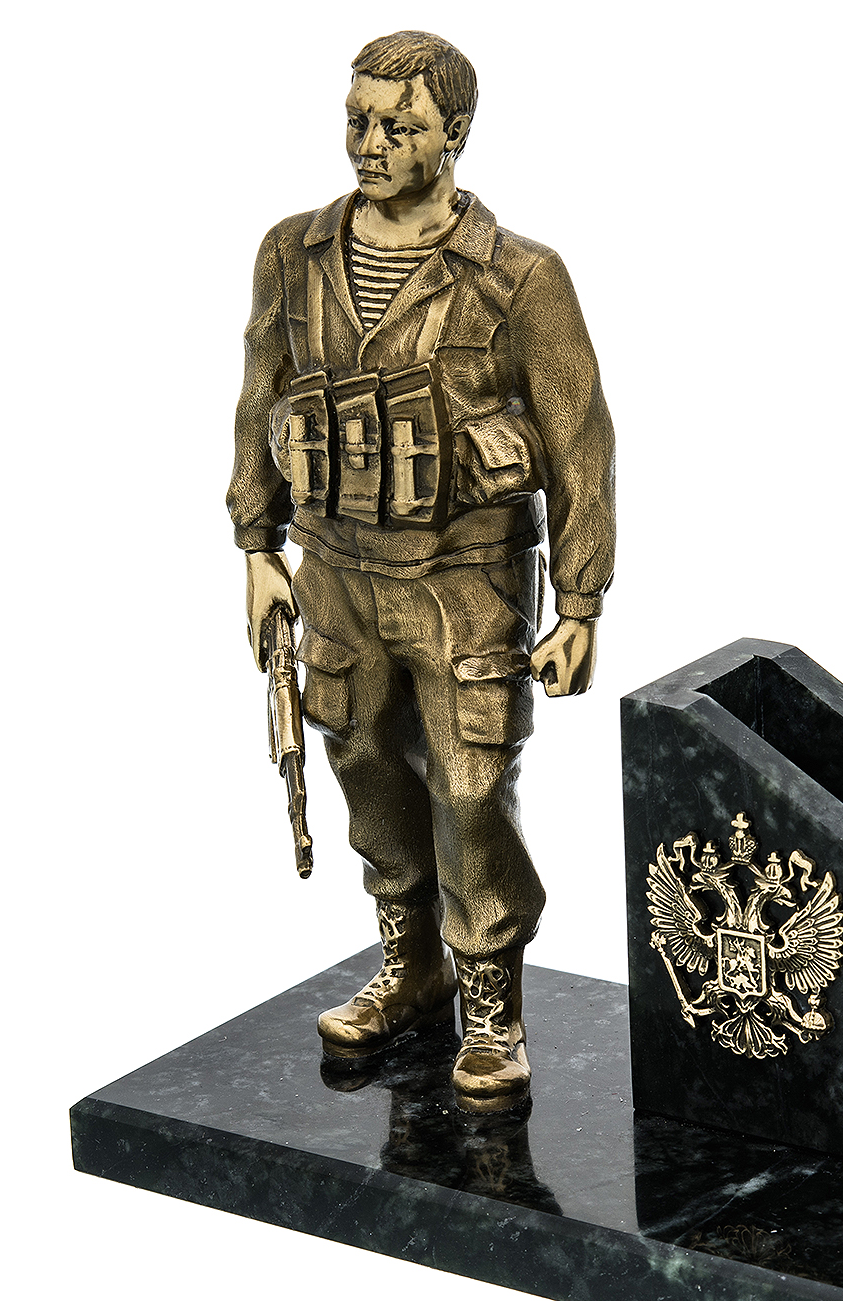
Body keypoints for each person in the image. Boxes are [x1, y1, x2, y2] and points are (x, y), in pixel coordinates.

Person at [226, 30, 615, 1113]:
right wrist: (257, 548)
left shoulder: (521, 277)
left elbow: (580, 440)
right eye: (357, 119)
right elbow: (260, 396)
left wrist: (579, 601)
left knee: (473, 785)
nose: (371, 142)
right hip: (335, 567)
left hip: (465, 579)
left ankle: (490, 999)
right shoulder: (293, 254)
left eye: (400, 126)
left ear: (456, 133)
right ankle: (412, 965)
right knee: (362, 762)